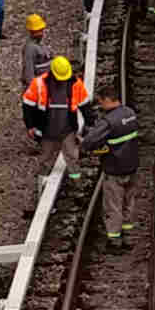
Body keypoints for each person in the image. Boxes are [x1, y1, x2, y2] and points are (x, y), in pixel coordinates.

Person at [22, 56, 92, 214]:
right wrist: (30, 126)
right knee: (45, 162)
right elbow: (28, 105)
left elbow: (85, 105)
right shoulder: (39, 84)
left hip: (66, 131)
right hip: (47, 133)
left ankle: (78, 190)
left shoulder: (74, 84)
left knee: (72, 159)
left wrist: (90, 125)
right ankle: (42, 196)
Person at [79, 85, 139, 251]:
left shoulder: (108, 121)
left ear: (106, 100)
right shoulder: (130, 113)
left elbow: (90, 141)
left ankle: (114, 242)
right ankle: (129, 239)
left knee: (113, 206)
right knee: (129, 203)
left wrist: (83, 145)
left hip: (115, 169)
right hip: (132, 167)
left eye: (100, 102)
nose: (100, 106)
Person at [21, 14, 53, 89]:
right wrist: (33, 88)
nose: (41, 33)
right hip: (39, 83)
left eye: (41, 30)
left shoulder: (40, 43)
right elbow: (29, 71)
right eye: (37, 31)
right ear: (31, 31)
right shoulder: (30, 48)